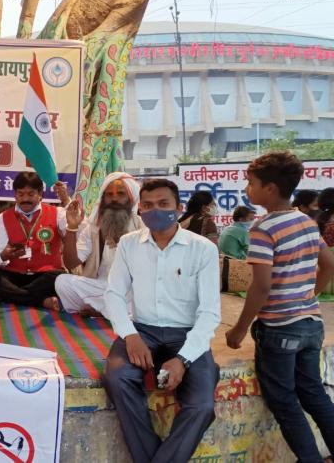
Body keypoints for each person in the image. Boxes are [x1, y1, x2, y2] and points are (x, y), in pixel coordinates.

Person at [102, 178, 221, 463]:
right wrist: (130, 336)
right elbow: (114, 294)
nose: (155, 211)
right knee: (117, 377)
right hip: (143, 329)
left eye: (164, 204)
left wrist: (183, 359)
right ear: (139, 209)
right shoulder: (129, 244)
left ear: (179, 208)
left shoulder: (202, 248)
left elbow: (209, 312)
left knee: (202, 405)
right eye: (148, 205)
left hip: (187, 333)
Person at [226, 151, 334, 463]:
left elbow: (261, 285)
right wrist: (308, 294)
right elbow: (327, 264)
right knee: (313, 392)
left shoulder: (263, 229)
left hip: (279, 330)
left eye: (251, 183)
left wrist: (240, 328)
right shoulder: (306, 222)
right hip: (311, 325)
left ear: (270, 189)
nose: (247, 189)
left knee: (284, 400)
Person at [55, 172, 143, 317]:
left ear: (131, 198)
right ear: (103, 199)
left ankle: (101, 310)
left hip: (131, 291)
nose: (114, 198)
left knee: (144, 298)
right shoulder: (94, 228)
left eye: (121, 193)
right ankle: (110, 310)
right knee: (62, 282)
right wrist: (72, 227)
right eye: (109, 194)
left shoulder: (144, 227)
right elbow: (71, 263)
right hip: (100, 288)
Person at [0, 172, 68, 309]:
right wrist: (3, 255)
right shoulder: (2, 218)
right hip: (14, 276)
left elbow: (74, 227)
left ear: (40, 194)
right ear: (15, 195)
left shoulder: (58, 213)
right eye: (21, 194)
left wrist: (67, 201)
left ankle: (5, 295)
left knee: (60, 277)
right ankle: (39, 301)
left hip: (44, 276)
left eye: (31, 194)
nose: (25, 199)